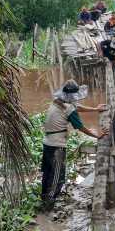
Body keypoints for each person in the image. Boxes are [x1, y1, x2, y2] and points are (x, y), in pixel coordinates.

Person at [41, 80, 107, 210]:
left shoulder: (57, 102)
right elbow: (80, 127)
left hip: (47, 142)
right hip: (57, 146)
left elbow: (77, 107)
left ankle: (44, 197)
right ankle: (49, 203)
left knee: (48, 171)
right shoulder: (69, 108)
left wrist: (95, 109)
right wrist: (97, 135)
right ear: (71, 96)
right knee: (57, 175)